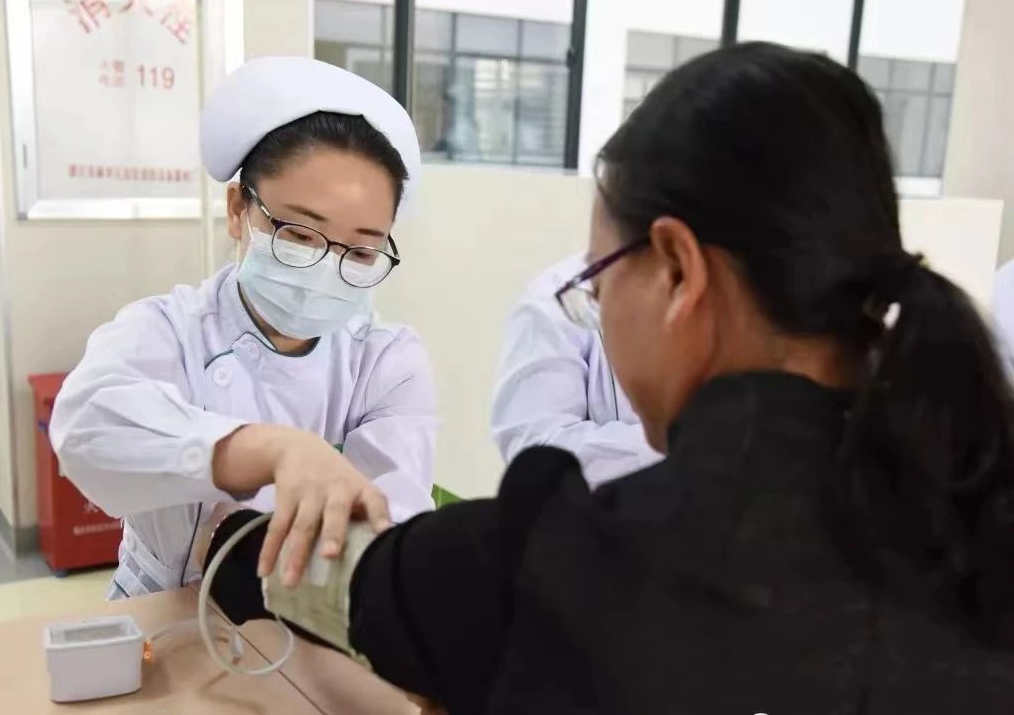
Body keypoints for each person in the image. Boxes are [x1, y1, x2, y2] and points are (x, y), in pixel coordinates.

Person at [204, 43, 1014, 713]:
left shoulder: (566, 564)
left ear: (677, 271)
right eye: (301, 232)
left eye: (601, 276)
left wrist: (243, 532)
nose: (596, 303)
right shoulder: (973, 516)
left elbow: (319, 575)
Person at [50, 57, 435, 599]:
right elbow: (86, 432)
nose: (327, 266)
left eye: (361, 251)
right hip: (160, 608)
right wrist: (271, 451)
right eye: (300, 234)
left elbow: (391, 522)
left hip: (307, 614)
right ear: (238, 209)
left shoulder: (386, 361)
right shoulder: (167, 330)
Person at [492, 254, 659, 488]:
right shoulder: (557, 297)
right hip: (611, 507)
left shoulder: (707, 293)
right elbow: (536, 448)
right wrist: (680, 448)